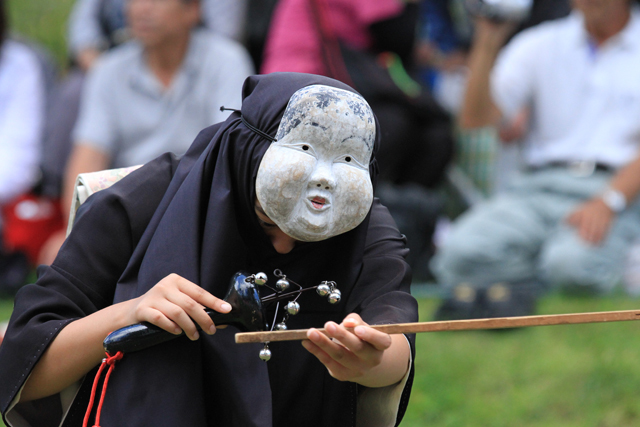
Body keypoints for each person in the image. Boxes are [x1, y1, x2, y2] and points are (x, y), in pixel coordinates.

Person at [0, 73, 418, 427]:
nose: (286, 245)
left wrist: (369, 361)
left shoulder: (365, 225)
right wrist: (128, 313)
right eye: (268, 221)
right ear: (244, 159)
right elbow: (23, 363)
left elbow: (393, 334)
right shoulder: (142, 203)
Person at [431, 0, 640, 319]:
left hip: (616, 192)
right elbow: (474, 120)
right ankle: (562, 270)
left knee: (571, 268)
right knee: (458, 255)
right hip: (534, 188)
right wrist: (487, 42)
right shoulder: (539, 42)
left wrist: (608, 201)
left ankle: (528, 279)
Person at [37, 0, 254, 265]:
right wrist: (73, 229)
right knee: (58, 255)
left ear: (192, 10)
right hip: (126, 210)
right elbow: (87, 162)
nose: (141, 9)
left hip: (198, 209)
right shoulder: (108, 70)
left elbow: (225, 157)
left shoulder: (227, 62)